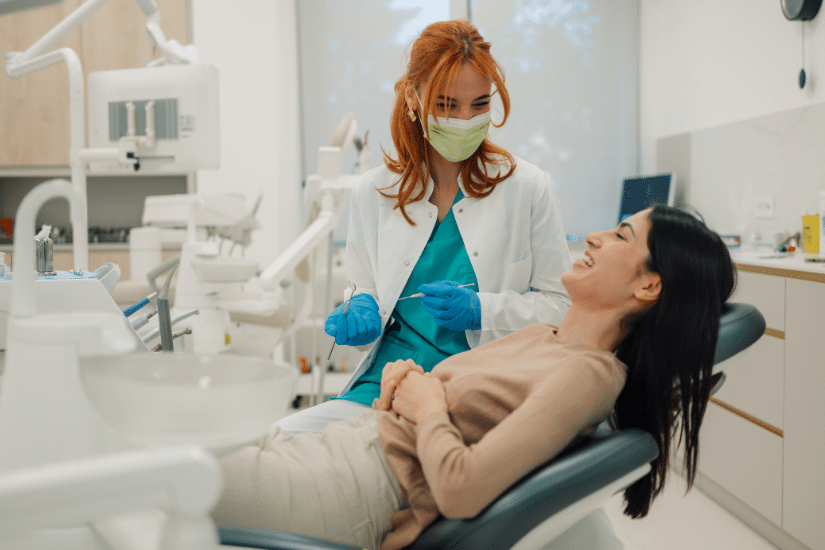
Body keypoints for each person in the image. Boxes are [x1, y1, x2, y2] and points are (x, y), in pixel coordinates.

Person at [213, 205, 737, 550]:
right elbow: (446, 413)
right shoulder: (543, 337)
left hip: (349, 487)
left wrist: (425, 404)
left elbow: (464, 489)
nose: (596, 236)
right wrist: (411, 384)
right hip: (336, 451)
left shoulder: (589, 376)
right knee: (168, 440)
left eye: (621, 234)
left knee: (152, 473)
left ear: (649, 286)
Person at [278, 19, 572, 434]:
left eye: (480, 104)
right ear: (414, 98)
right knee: (286, 440)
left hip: (476, 390)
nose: (465, 120)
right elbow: (367, 293)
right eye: (447, 105)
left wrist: (480, 310)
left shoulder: (526, 188)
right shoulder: (373, 191)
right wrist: (360, 309)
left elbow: (561, 308)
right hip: (386, 386)